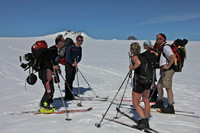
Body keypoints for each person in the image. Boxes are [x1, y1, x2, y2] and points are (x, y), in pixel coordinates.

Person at [38, 34, 64, 113]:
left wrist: (56, 67)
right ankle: (44, 105)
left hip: (47, 72)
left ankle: (46, 102)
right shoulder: (53, 49)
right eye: (63, 41)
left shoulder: (54, 50)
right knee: (49, 89)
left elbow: (52, 60)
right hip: (45, 72)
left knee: (50, 88)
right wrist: (53, 66)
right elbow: (45, 61)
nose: (64, 43)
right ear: (59, 42)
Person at [151, 33, 176, 114]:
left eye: (158, 38)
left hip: (168, 71)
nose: (156, 40)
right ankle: (160, 102)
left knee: (168, 88)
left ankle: (170, 106)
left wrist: (168, 66)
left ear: (162, 39)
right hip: (164, 70)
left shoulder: (166, 47)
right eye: (156, 38)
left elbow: (172, 57)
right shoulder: (162, 47)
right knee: (159, 86)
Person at [129, 42, 151, 129]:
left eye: (131, 49)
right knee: (146, 99)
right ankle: (145, 118)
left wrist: (132, 68)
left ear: (133, 49)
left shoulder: (135, 57)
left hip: (139, 81)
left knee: (135, 102)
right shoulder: (144, 56)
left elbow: (137, 63)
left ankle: (144, 121)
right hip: (148, 81)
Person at [64, 35, 83, 100]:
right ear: (76, 40)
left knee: (72, 78)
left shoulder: (80, 48)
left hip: (74, 64)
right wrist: (72, 63)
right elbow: (67, 57)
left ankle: (70, 93)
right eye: (79, 40)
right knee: (68, 79)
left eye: (81, 41)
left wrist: (76, 62)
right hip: (68, 64)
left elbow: (80, 57)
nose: (80, 42)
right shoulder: (71, 47)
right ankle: (67, 95)